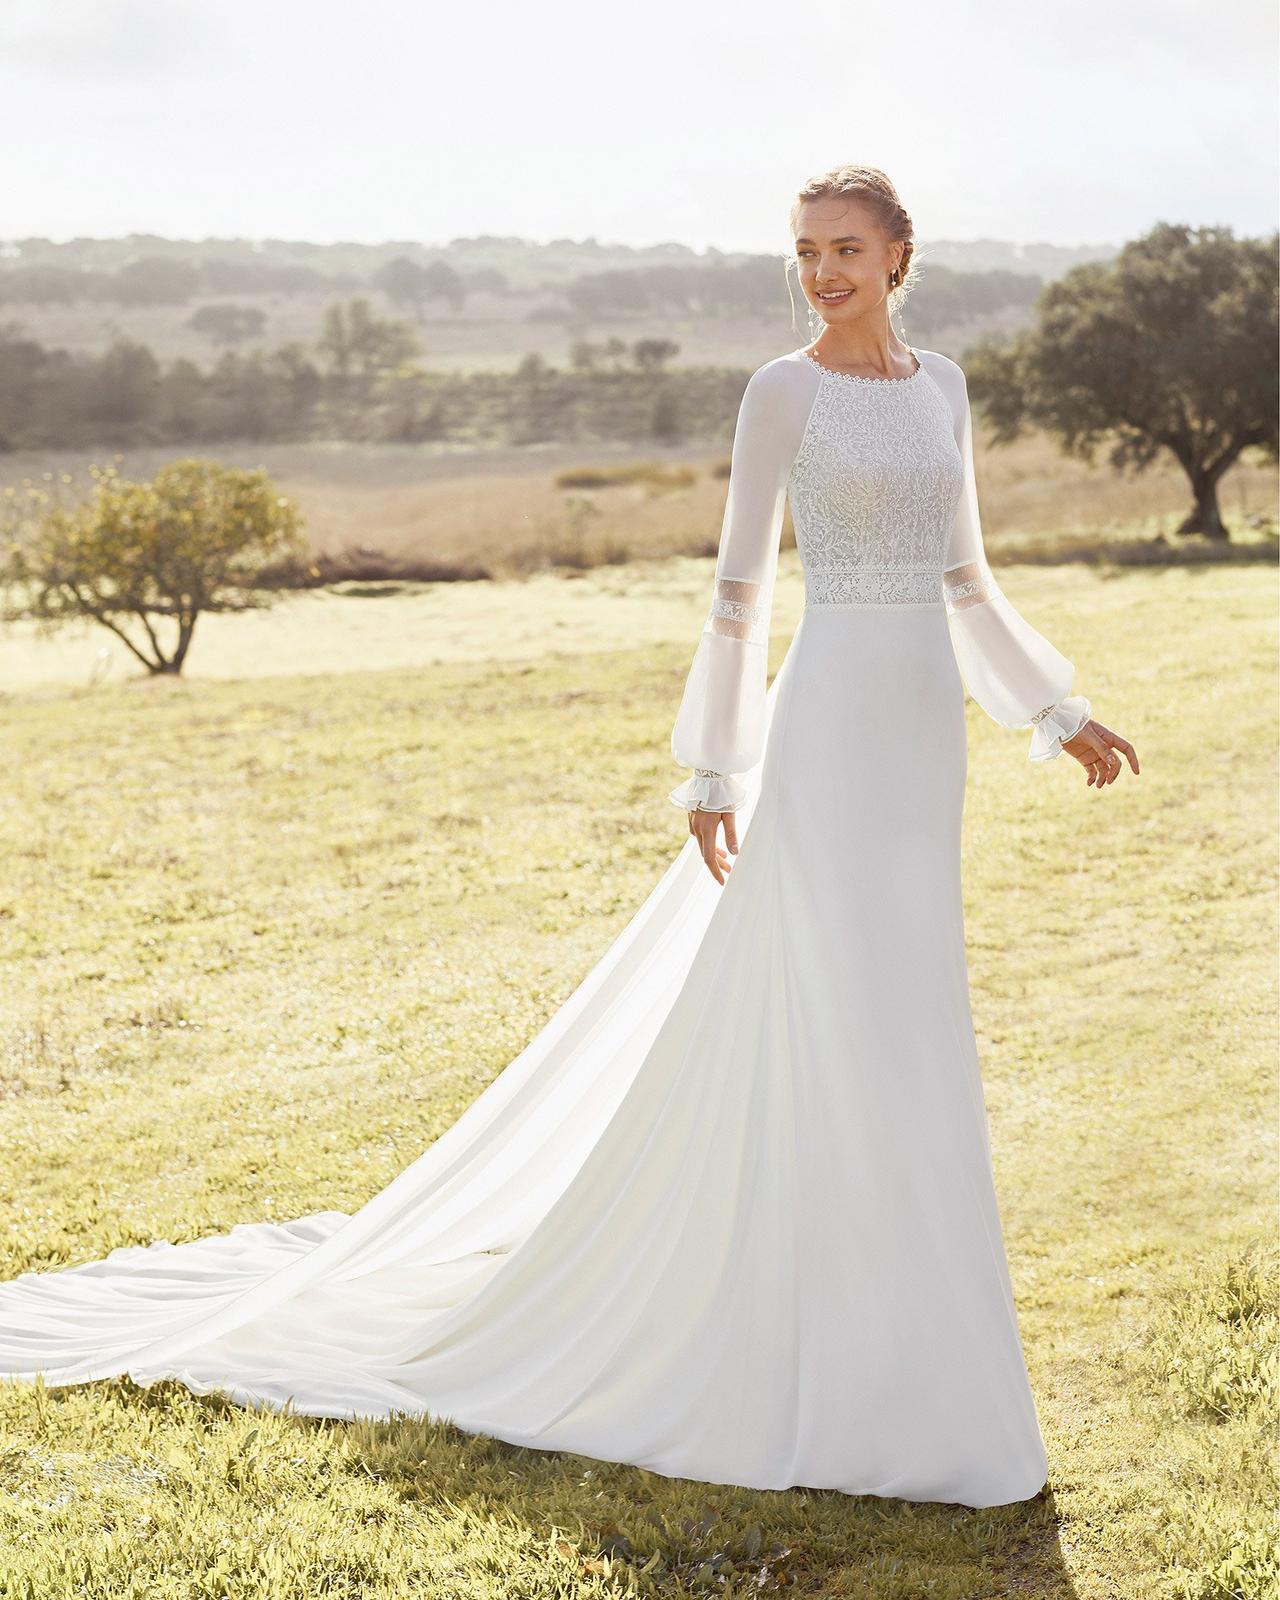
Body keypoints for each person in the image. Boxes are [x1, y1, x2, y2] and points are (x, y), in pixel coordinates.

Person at [0, 164, 1138, 1511]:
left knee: (909, 1015)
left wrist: (1051, 709)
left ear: (900, 254)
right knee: (822, 999)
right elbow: (739, 584)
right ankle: (799, 1312)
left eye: (845, 249)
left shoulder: (944, 387)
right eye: (803, 252)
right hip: (825, 724)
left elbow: (965, 578)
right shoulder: (782, 392)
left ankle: (905, 1312)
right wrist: (715, 763)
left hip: (921, 739)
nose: (822, 273)